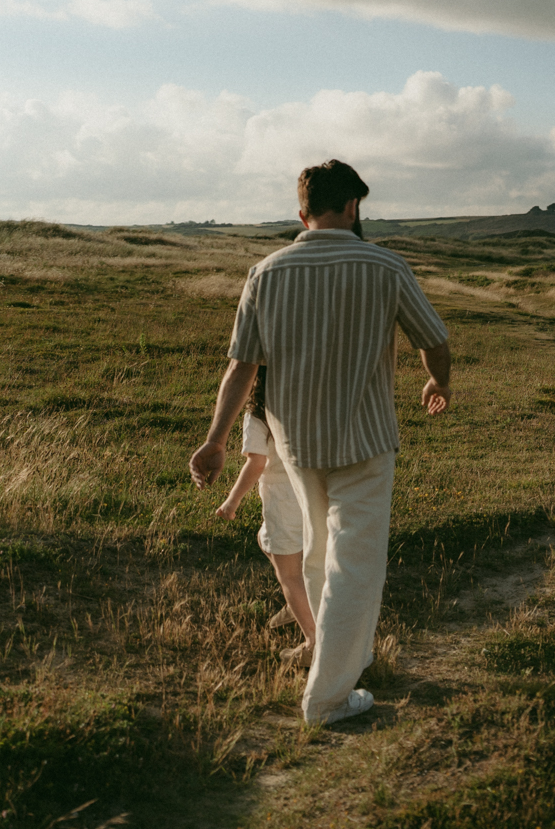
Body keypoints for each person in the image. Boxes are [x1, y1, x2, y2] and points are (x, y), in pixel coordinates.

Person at [190, 159, 452, 726]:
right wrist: (439, 380)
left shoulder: (266, 271)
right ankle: (328, 698)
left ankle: (342, 658)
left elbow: (241, 367)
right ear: (354, 206)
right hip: (365, 440)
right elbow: (434, 338)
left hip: (297, 444)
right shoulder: (385, 265)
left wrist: (214, 441)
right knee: (355, 564)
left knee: (319, 552)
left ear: (301, 212)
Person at [211, 365, 317, 665]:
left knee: (290, 576)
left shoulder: (257, 417)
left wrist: (232, 501)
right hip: (311, 497)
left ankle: (313, 643)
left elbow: (256, 463)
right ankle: (296, 605)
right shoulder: (306, 409)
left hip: (283, 504)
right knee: (265, 540)